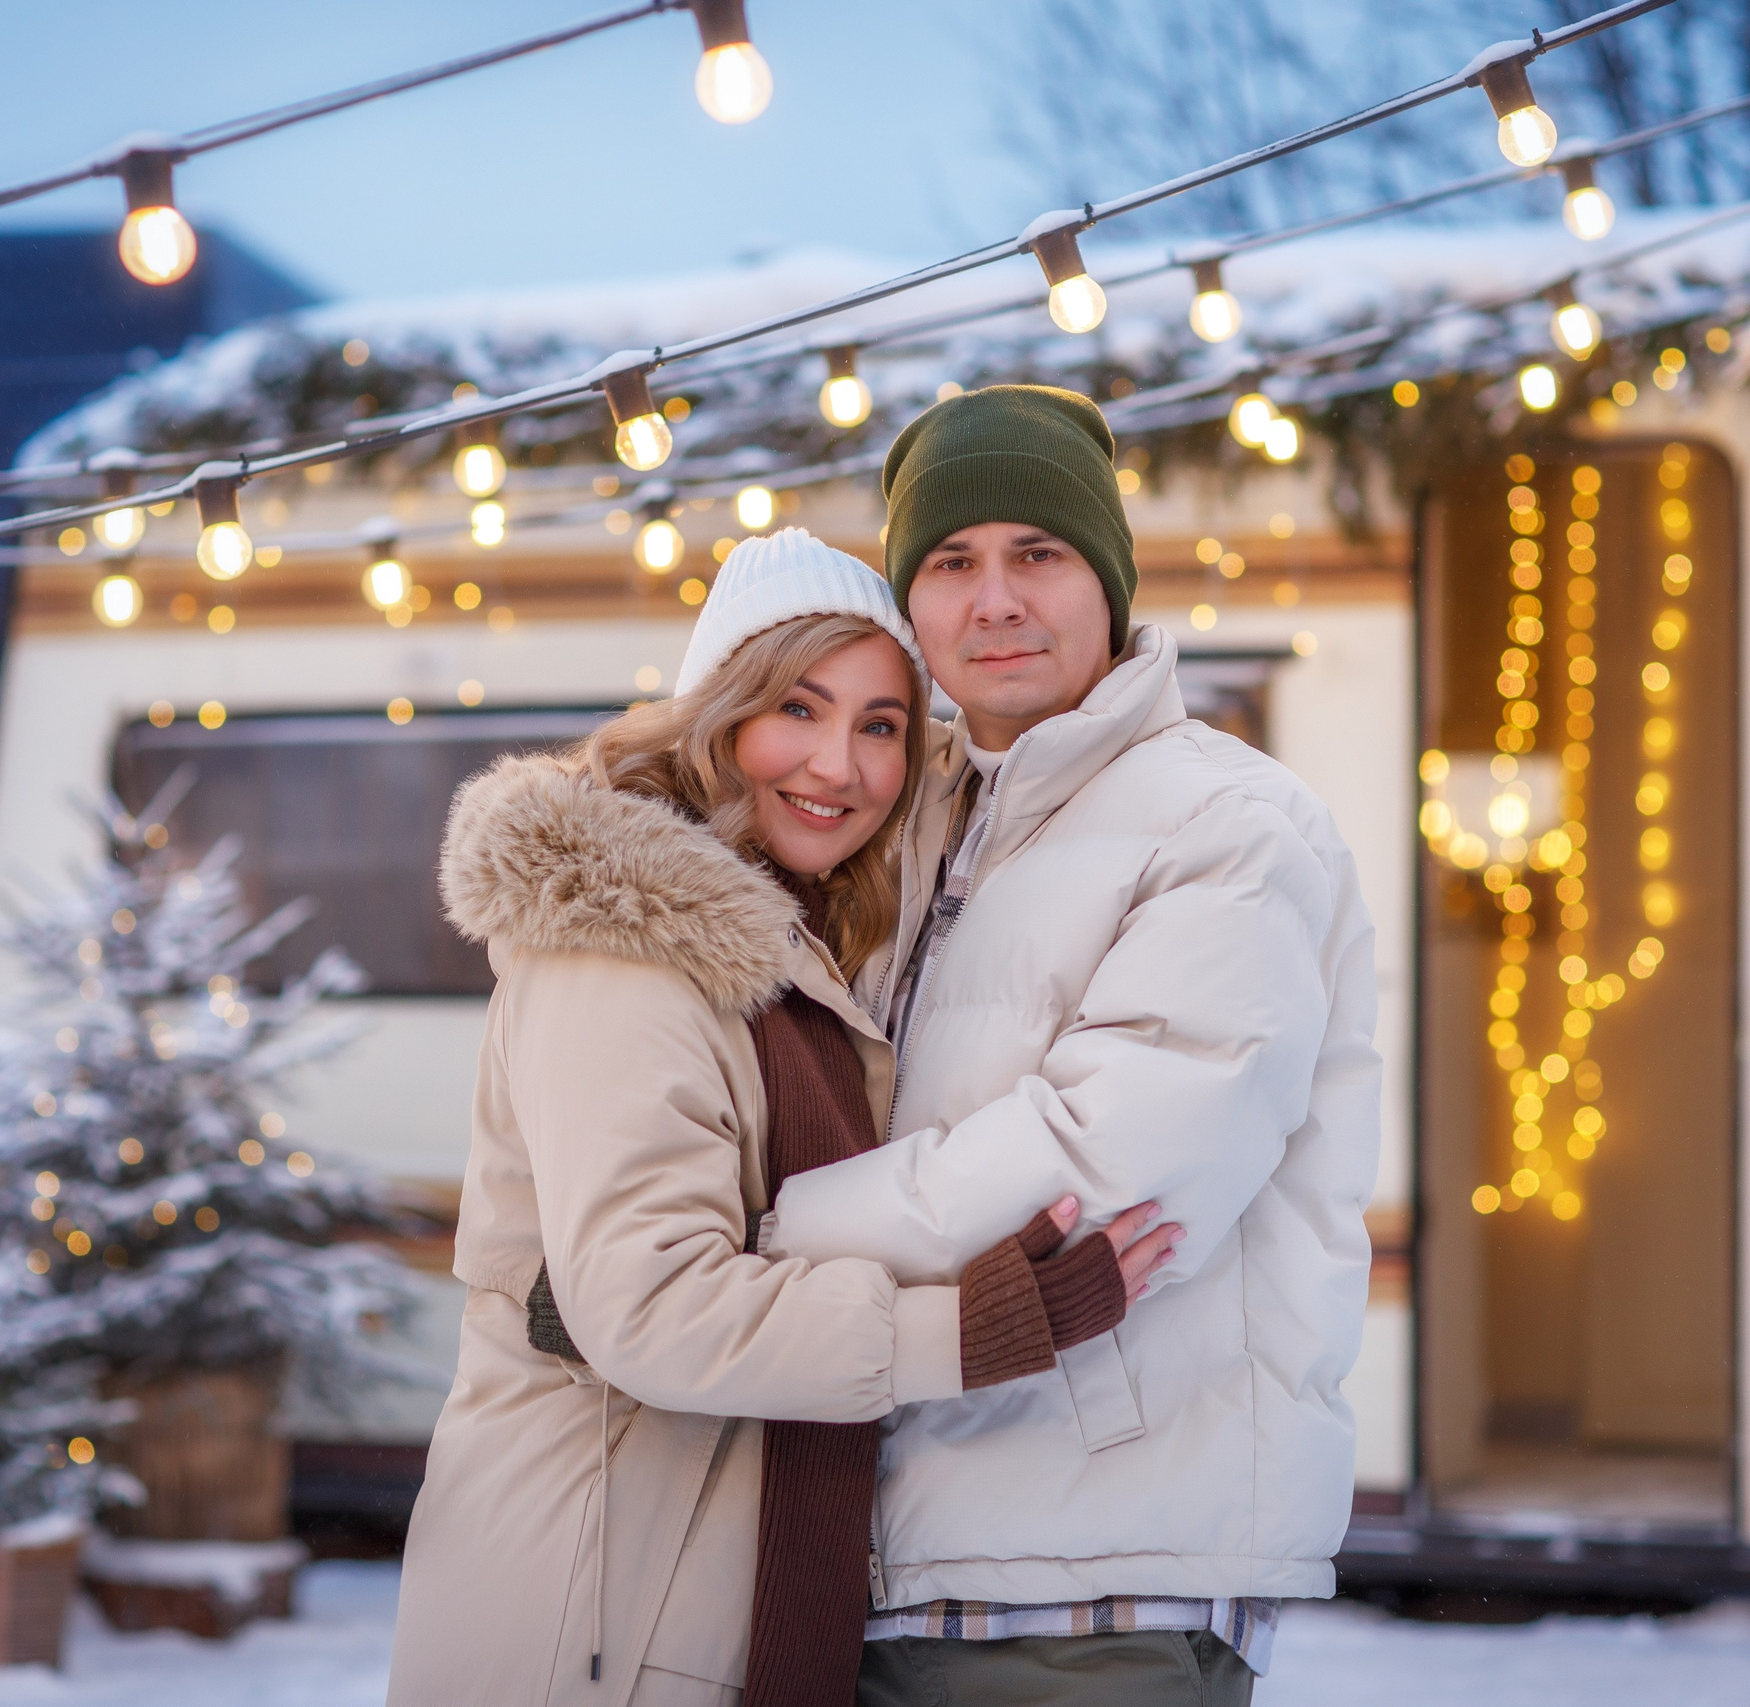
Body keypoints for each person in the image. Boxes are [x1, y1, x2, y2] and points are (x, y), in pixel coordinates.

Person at [385, 527, 1179, 1707]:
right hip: (592, 1616)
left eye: (879, 726)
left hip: (676, 1597)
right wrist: (970, 1328)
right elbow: (648, 1304)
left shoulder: (795, 958)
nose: (839, 766)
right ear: (715, 716)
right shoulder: (624, 950)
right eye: (795, 710)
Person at [759, 387, 1384, 1707]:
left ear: (1107, 581)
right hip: (876, 1559)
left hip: (1103, 1576)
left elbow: (1101, 1169)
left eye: (1036, 553)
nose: (994, 599)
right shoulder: (892, 820)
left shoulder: (1229, 821)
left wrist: (728, 1255)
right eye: (950, 561)